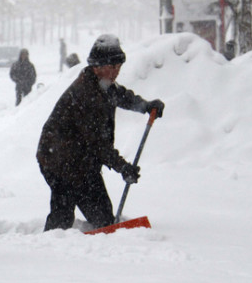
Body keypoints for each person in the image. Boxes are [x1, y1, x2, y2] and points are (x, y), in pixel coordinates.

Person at [36, 34, 165, 231]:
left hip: (82, 160)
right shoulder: (85, 94)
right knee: (62, 213)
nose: (116, 72)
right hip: (59, 160)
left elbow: (121, 96)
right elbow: (98, 145)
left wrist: (145, 106)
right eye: (112, 67)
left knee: (103, 216)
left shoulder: (102, 84)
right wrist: (123, 167)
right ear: (97, 66)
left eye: (119, 66)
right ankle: (48, 251)